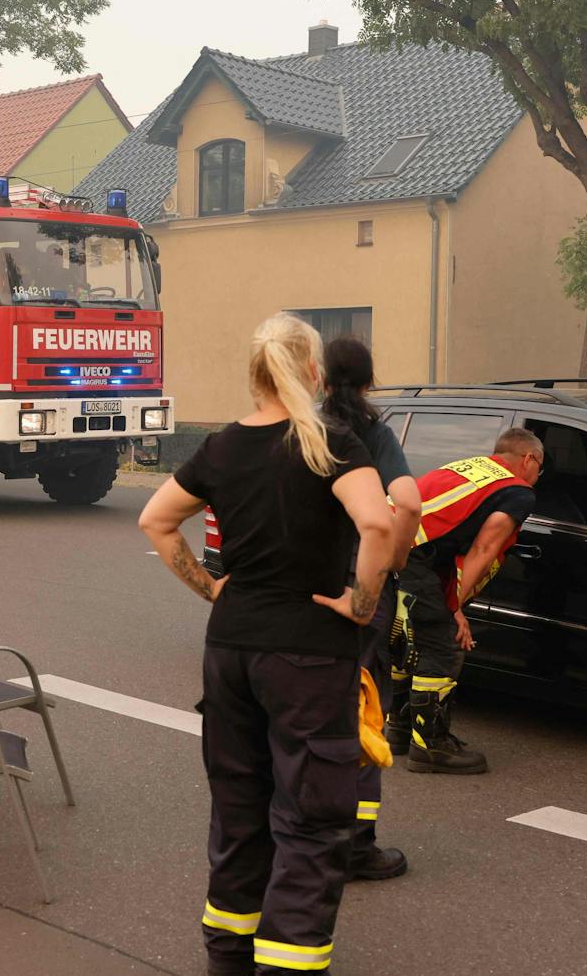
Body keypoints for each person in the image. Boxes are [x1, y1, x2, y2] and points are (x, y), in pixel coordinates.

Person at [139, 313, 394, 976]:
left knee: (239, 807)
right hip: (308, 654)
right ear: (312, 372)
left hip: (231, 650)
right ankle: (288, 963)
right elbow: (377, 522)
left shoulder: (222, 447)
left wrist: (211, 588)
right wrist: (359, 605)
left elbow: (156, 520)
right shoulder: (329, 443)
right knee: (311, 819)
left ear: (254, 376)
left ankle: (228, 959)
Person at [319, 336, 422, 882]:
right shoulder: (374, 433)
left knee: (301, 711)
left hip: (303, 592)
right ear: (369, 381)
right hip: (360, 589)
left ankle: (299, 834)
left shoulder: (303, 427)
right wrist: (393, 561)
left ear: (318, 377)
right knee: (360, 711)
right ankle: (356, 846)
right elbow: (407, 502)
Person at [387, 427, 544, 774]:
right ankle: (430, 746)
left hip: (383, 542)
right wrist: (454, 608)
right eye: (539, 468)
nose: (537, 477)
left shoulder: (467, 466)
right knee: (442, 645)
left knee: (405, 640)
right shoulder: (517, 492)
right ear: (529, 459)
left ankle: (397, 730)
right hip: (413, 554)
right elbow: (484, 548)